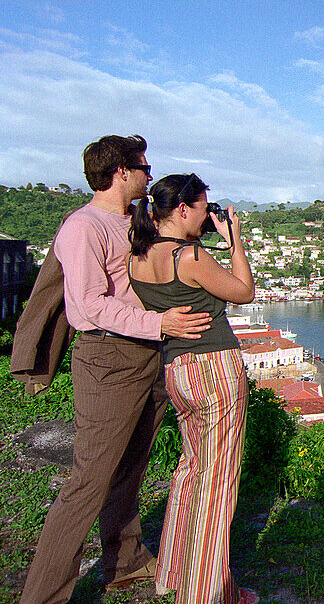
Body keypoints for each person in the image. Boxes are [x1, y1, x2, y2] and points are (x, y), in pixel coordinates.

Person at [19, 135, 211, 604]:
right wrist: (158, 321)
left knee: (131, 466)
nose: (150, 175)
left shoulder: (134, 221)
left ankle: (123, 562)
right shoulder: (82, 227)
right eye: (144, 167)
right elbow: (87, 306)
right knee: (88, 481)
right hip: (108, 358)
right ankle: (42, 596)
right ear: (121, 171)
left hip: (149, 352)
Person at [127, 173, 256, 604]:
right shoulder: (190, 256)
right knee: (218, 484)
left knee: (190, 474)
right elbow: (244, 292)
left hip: (176, 370)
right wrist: (235, 241)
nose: (206, 215)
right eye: (202, 207)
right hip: (214, 369)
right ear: (182, 209)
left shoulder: (137, 257)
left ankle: (173, 575)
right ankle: (208, 593)